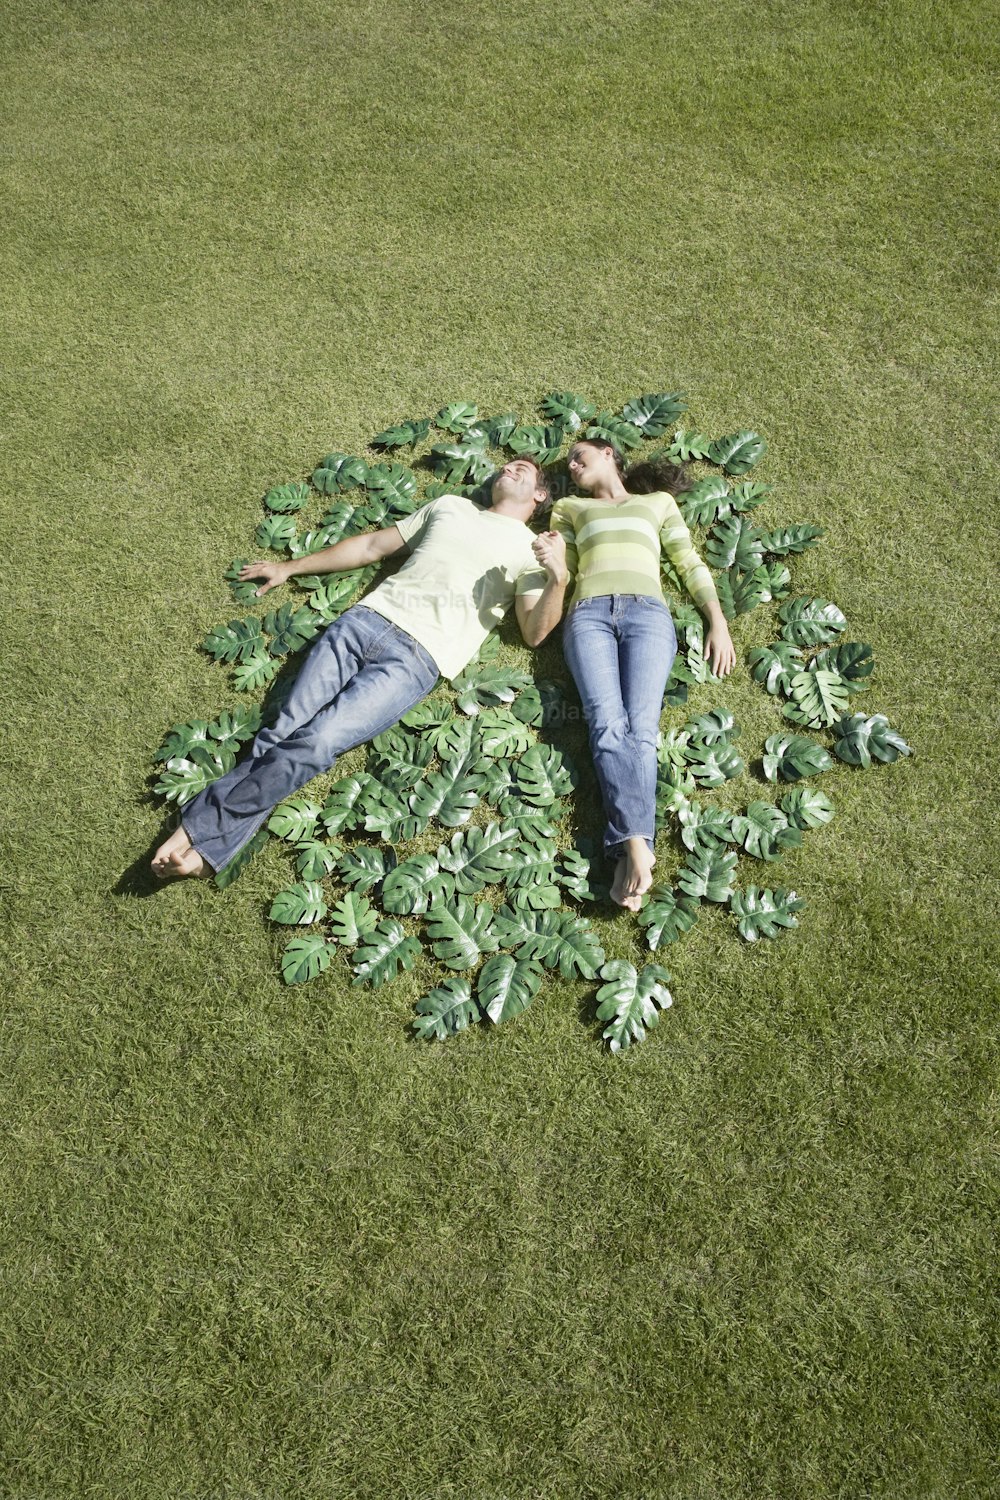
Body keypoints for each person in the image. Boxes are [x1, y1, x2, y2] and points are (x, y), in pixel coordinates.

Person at [152, 458, 568, 880]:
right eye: (506, 465)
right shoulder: (450, 506)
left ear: (539, 495)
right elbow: (371, 547)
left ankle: (195, 831)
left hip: (417, 657)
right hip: (363, 623)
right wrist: (290, 567)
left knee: (317, 743)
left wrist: (559, 578)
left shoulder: (533, 550)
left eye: (521, 469)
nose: (507, 469)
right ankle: (202, 852)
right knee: (280, 733)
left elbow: (535, 633)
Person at [532, 439, 736, 912]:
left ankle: (629, 849)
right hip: (588, 616)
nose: (572, 463)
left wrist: (717, 622)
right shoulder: (568, 507)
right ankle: (636, 845)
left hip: (648, 616)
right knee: (606, 724)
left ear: (609, 454)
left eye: (581, 454)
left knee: (642, 728)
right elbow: (568, 571)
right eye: (568, 462)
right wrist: (553, 564)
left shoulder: (656, 503)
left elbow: (687, 561)